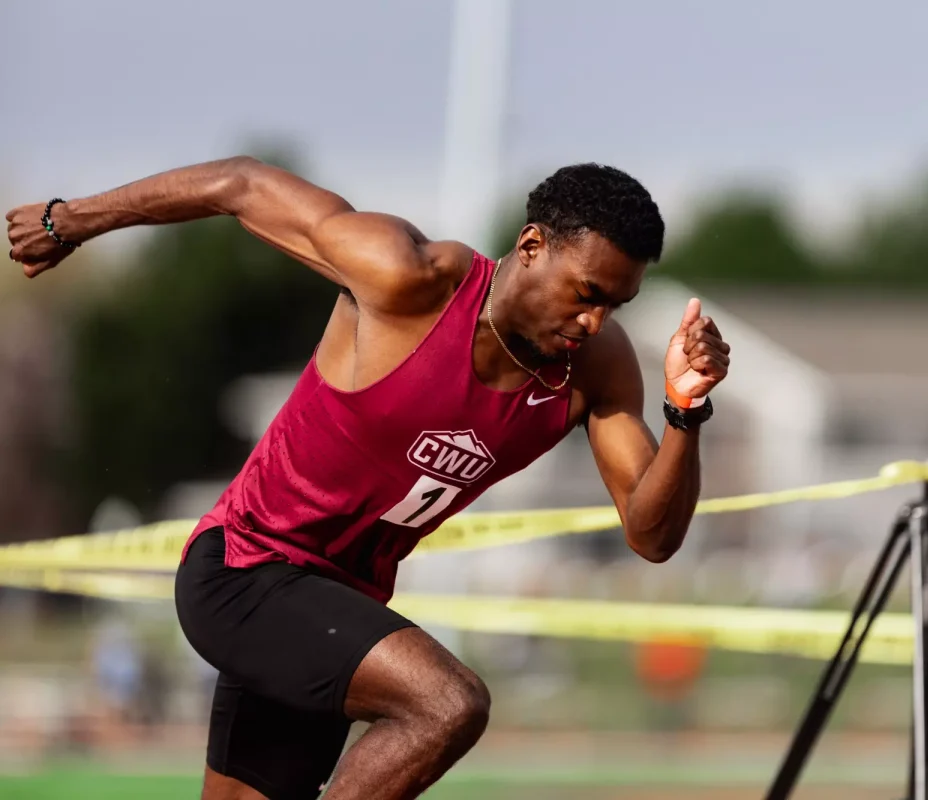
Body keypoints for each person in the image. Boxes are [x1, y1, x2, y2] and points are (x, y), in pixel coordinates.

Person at [6, 157, 731, 799]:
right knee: (448, 703)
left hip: (333, 616)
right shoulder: (407, 278)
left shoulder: (594, 369)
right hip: (245, 570)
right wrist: (67, 221)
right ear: (532, 247)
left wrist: (685, 411)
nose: (596, 321)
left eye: (617, 304)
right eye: (587, 292)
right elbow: (242, 184)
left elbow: (651, 533)